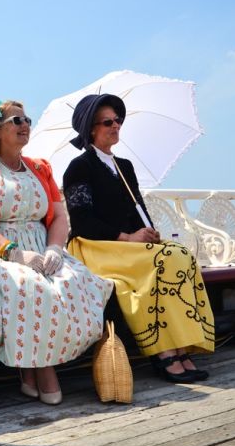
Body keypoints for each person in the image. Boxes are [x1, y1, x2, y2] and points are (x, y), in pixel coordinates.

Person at [0, 98, 112, 404]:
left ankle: (29, 369)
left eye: (27, 120)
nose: (25, 125)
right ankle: (44, 370)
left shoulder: (40, 167)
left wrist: (55, 247)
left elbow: (59, 215)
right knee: (30, 285)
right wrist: (13, 252)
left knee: (78, 281)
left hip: (42, 245)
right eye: (17, 121)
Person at [62, 93, 215, 383]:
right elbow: (82, 221)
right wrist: (127, 238)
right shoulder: (79, 167)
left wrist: (149, 232)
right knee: (164, 261)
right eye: (108, 121)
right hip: (97, 246)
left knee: (178, 254)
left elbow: (138, 211)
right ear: (91, 128)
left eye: (118, 120)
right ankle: (163, 352)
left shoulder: (124, 166)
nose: (116, 125)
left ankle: (181, 347)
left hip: (129, 245)